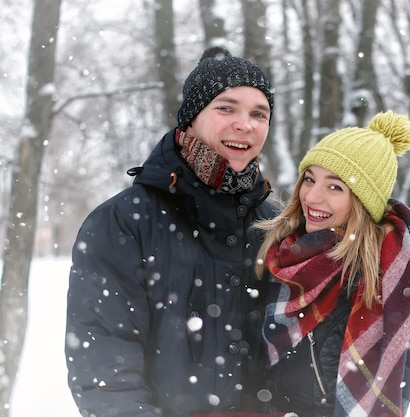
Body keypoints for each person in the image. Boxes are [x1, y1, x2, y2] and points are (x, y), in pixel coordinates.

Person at [65, 46, 279, 417]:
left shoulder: (273, 224)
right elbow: (106, 373)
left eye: (259, 113)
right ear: (191, 118)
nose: (245, 124)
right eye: (226, 108)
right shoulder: (124, 222)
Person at [254, 111, 410, 417]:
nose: (312, 196)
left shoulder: (392, 279)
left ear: (364, 203)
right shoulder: (283, 256)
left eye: (335, 187)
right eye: (309, 179)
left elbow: (381, 395)